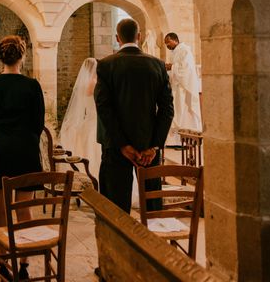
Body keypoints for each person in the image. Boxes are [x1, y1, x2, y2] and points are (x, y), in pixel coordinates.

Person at [95, 18, 174, 214]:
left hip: (116, 147)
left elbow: (104, 108)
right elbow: (167, 109)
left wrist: (122, 144)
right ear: (139, 37)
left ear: (117, 38)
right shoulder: (157, 65)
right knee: (153, 205)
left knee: (116, 207)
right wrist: (154, 145)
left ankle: (119, 243)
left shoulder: (106, 65)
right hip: (148, 147)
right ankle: (153, 241)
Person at [0, 36, 45, 281]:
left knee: (0, 209)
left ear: (1, 57)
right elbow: (38, 123)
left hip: (0, 146)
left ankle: (4, 263)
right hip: (26, 148)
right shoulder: (32, 85)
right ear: (23, 56)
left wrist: (0, 135)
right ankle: (24, 263)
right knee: (24, 208)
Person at [59, 58, 100, 176]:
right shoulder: (94, 83)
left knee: (86, 150)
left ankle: (85, 176)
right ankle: (94, 176)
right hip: (95, 121)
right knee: (94, 152)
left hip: (86, 121)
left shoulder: (82, 85)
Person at [164, 32, 202, 142]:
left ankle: (189, 138)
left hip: (184, 89)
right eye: (166, 43)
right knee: (176, 111)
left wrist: (171, 67)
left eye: (168, 42)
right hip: (177, 88)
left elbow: (187, 69)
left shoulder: (185, 50)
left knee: (184, 111)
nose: (167, 45)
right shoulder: (174, 52)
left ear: (175, 40)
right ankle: (176, 140)